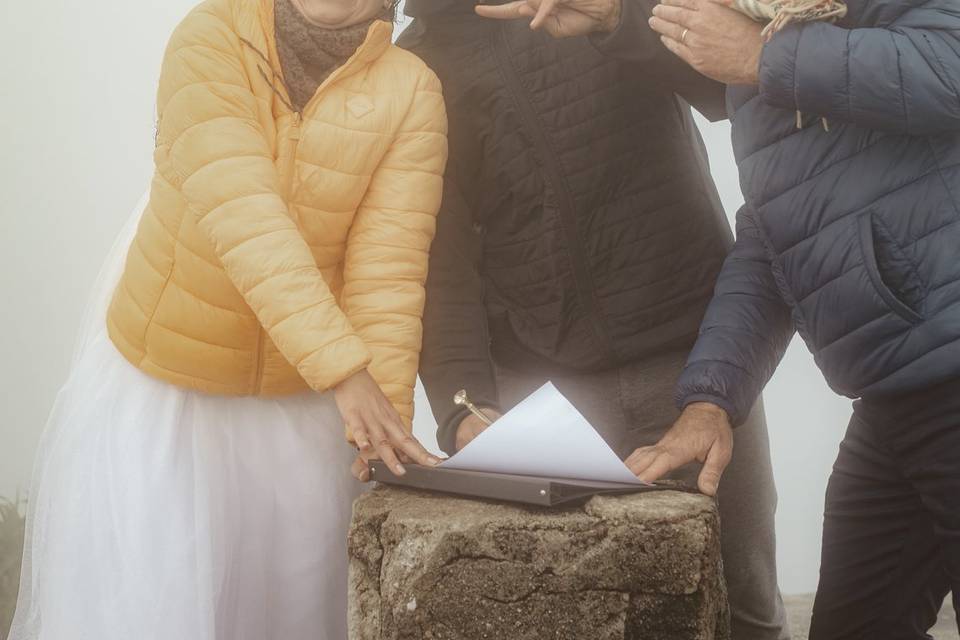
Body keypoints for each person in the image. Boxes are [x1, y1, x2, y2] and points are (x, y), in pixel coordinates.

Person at [508, 0, 960, 636]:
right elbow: (775, 242)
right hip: (894, 395)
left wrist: (762, 56)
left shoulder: (766, 47)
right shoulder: (761, 44)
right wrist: (710, 401)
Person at [9, 0, 446, 638]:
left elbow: (389, 270)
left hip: (299, 400)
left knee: (292, 614)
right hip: (172, 385)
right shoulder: (208, 35)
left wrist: (385, 435)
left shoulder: (412, 88)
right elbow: (242, 212)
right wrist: (346, 374)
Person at [397, 2, 789, 638]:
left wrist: (618, 19)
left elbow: (731, 89)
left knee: (742, 603)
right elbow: (442, 260)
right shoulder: (417, 64)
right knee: (570, 613)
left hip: (692, 362)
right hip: (542, 391)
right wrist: (462, 407)